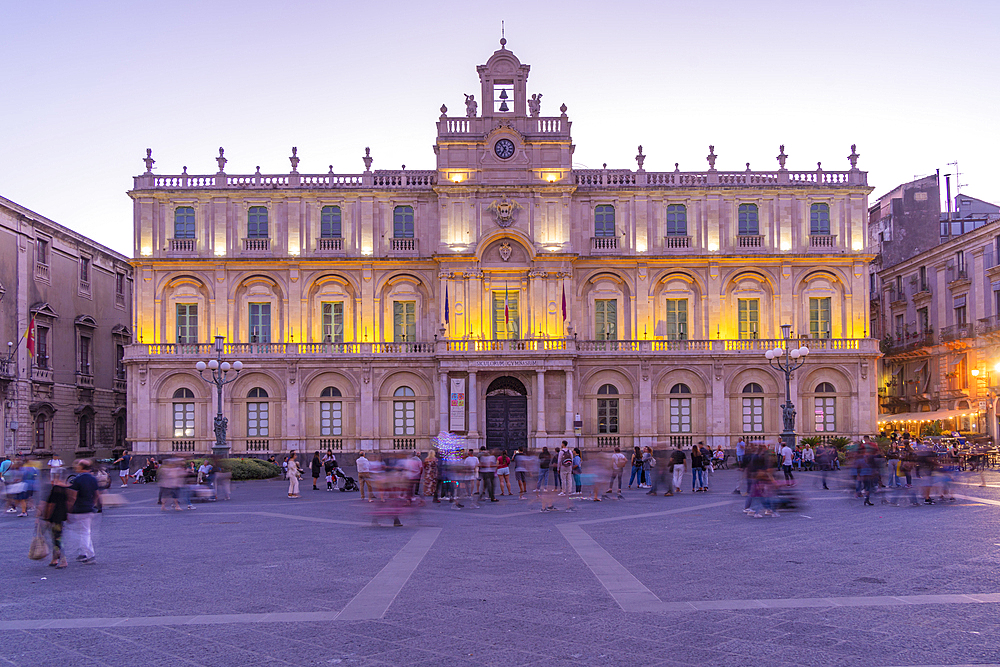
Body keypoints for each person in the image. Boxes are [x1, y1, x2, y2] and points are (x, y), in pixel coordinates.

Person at [65, 459, 100, 563]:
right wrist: (93, 503)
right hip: (89, 507)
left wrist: (69, 508)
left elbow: (73, 497)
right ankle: (83, 553)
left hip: (80, 508)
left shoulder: (77, 479)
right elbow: (97, 494)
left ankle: (90, 554)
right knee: (84, 531)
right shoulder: (93, 479)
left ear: (81, 468)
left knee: (84, 532)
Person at [42, 468, 70, 568]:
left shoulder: (55, 489)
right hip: (62, 515)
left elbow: (51, 505)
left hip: (55, 516)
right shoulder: (66, 487)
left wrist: (47, 517)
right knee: (56, 537)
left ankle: (63, 560)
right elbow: (69, 501)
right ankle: (55, 558)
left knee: (57, 538)